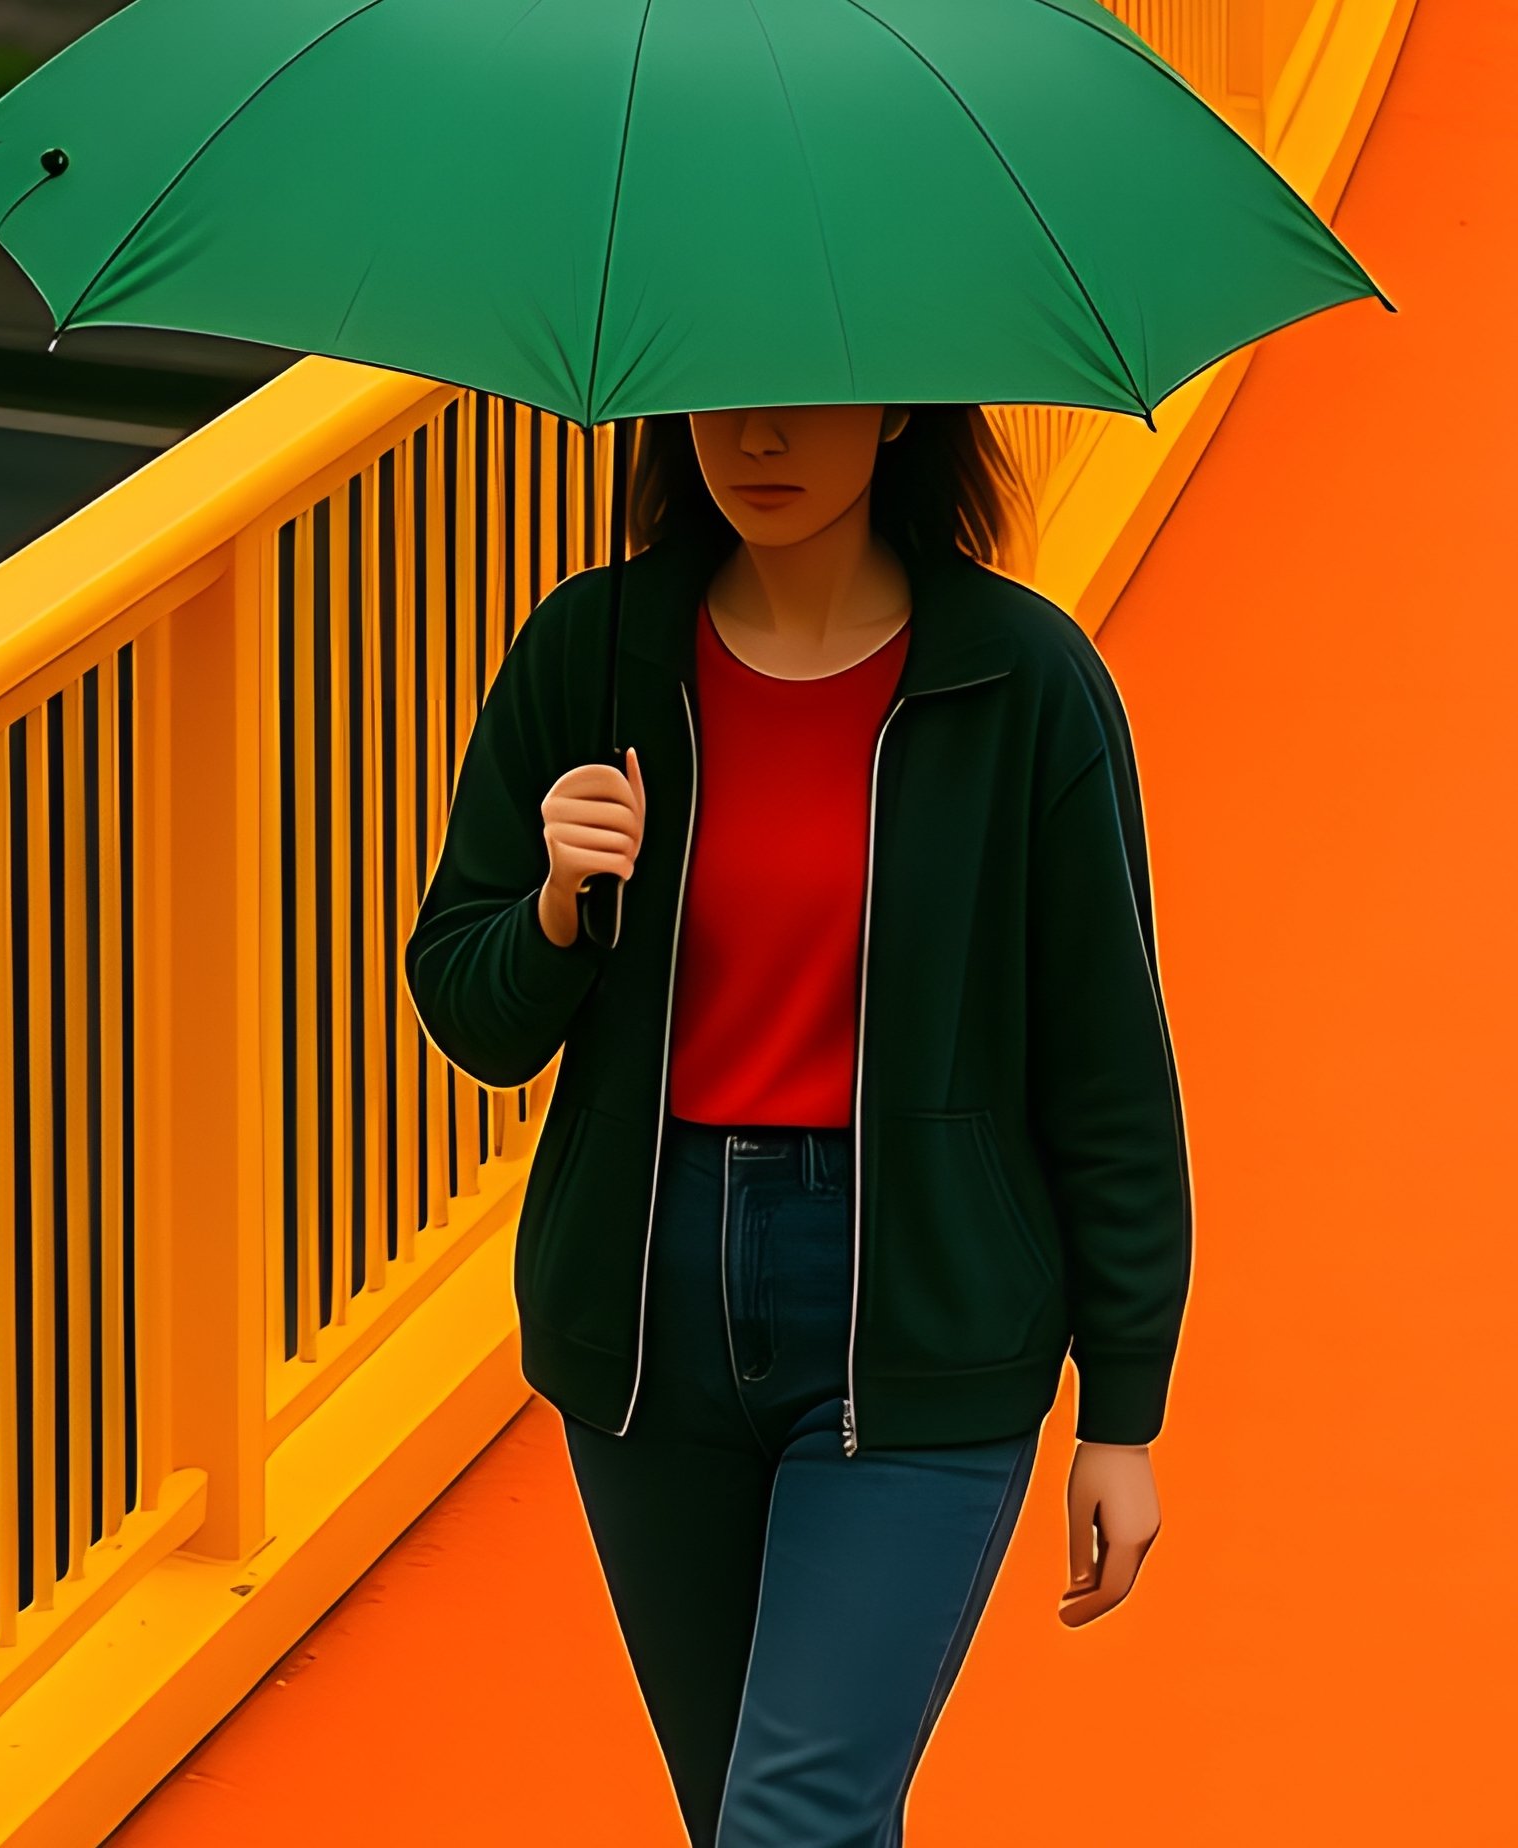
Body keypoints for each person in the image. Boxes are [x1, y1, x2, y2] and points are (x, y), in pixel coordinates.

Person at [404, 402, 1192, 1848]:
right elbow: (472, 1012)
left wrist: (1123, 1410)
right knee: (761, 1826)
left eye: (809, 392)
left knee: (792, 1822)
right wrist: (559, 908)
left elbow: (1106, 1067)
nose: (759, 435)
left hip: (920, 1320)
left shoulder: (1022, 683)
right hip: (650, 1319)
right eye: (726, 391)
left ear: (897, 412)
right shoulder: (594, 653)